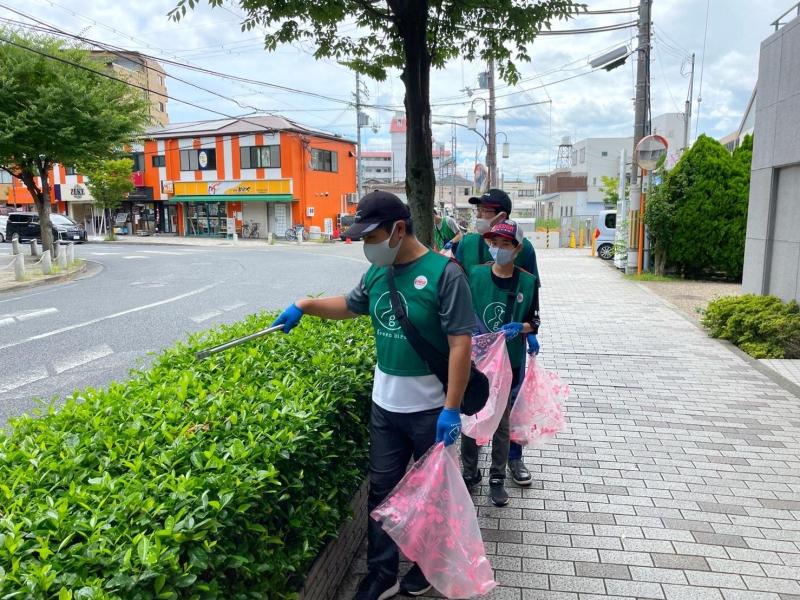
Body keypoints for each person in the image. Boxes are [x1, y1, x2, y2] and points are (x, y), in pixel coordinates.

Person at [272, 191, 475, 600]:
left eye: (371, 236)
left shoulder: (445, 274)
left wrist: (451, 409)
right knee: (382, 491)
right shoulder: (378, 274)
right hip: (386, 408)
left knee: (433, 494)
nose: (367, 245)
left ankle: (427, 566)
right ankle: (382, 573)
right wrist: (305, 305)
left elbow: (460, 344)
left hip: (431, 410)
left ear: (398, 229)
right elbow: (350, 306)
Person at [455, 188, 539, 486]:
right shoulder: (467, 243)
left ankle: (512, 459)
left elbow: (531, 293)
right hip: (477, 344)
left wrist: (529, 331)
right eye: (477, 211)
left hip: (508, 345)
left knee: (509, 404)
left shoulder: (524, 248)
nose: (478, 216)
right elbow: (457, 285)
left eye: (484, 211)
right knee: (474, 402)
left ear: (501, 215)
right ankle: (471, 466)